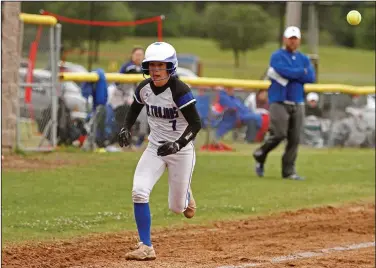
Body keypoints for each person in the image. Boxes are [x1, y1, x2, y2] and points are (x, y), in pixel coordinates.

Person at [118, 42, 202, 260]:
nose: (155, 70)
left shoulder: (179, 91)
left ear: (170, 67)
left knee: (178, 209)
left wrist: (178, 144)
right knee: (139, 191)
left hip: (181, 150)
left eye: (160, 65)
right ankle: (146, 246)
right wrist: (125, 128)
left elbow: (196, 124)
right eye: (151, 65)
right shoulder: (144, 89)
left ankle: (186, 195)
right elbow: (133, 110)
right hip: (155, 147)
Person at [252, 26, 316, 180]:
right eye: (290, 38)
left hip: (297, 101)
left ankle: (288, 171)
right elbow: (282, 70)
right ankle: (261, 153)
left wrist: (293, 74)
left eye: (295, 39)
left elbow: (311, 77)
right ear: (285, 39)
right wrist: (300, 72)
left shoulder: (304, 58)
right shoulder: (277, 56)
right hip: (279, 101)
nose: (293, 41)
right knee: (279, 134)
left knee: (294, 138)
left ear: (299, 40)